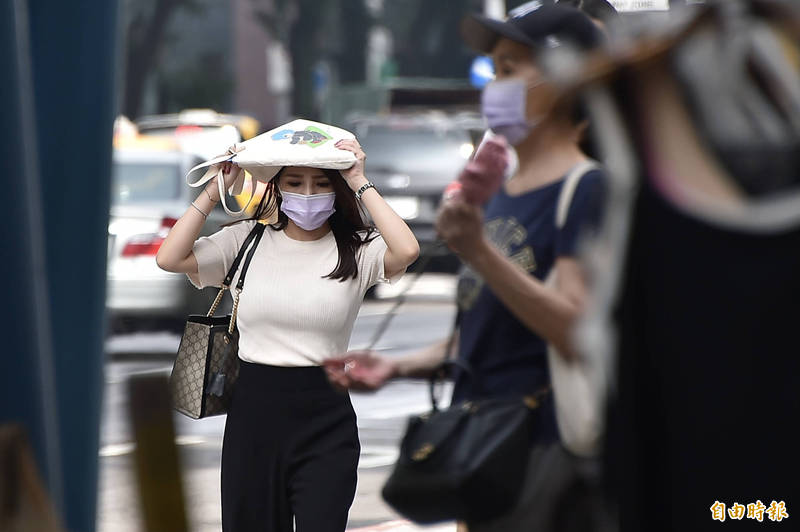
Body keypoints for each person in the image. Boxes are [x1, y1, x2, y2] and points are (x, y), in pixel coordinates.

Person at [325, 4, 607, 530]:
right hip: (483, 457)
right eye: (493, 71)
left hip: (543, 453)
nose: (493, 88)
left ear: (566, 82)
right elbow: (489, 331)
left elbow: (575, 328)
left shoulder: (587, 191)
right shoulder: (501, 195)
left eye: (509, 69)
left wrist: (478, 252)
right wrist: (398, 367)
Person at [156, 133, 419, 532]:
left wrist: (359, 180)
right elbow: (170, 257)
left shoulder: (357, 248)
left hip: (325, 418)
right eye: (295, 182)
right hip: (253, 416)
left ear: (336, 190)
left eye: (321, 183)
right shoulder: (246, 240)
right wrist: (216, 187)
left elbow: (407, 250)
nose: (308, 194)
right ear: (276, 187)